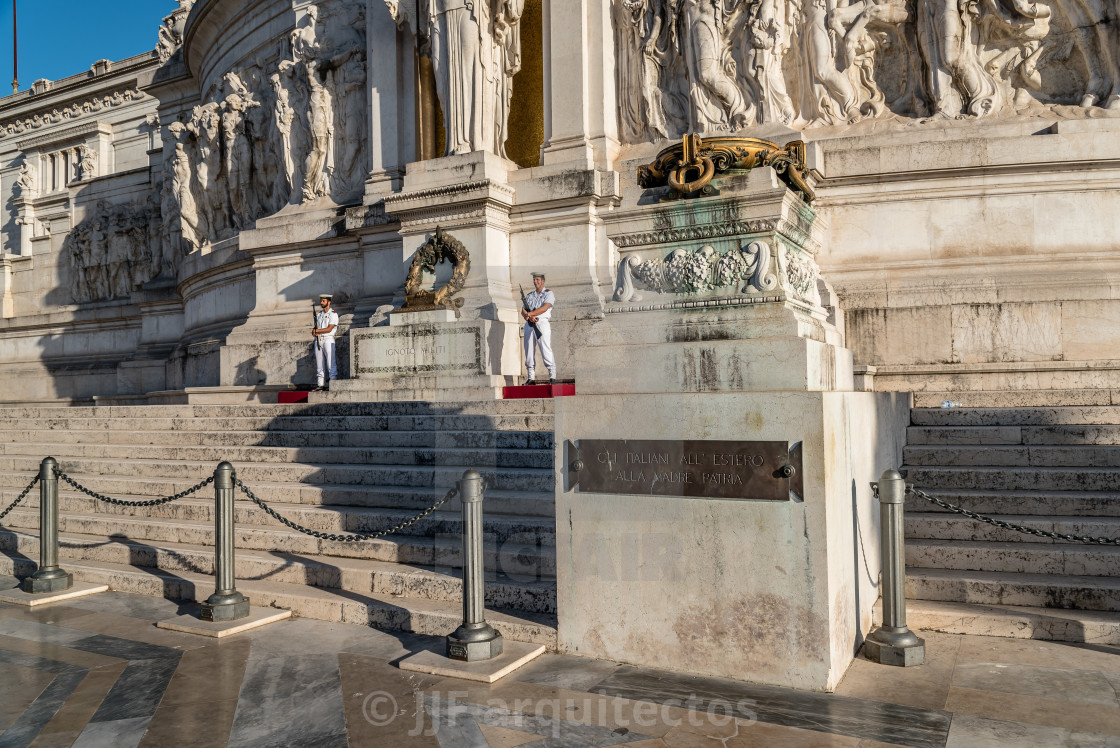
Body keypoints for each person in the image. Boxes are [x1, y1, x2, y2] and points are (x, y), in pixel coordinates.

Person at [521, 272, 556, 385]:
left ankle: (552, 376)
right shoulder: (530, 295)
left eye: (537, 279)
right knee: (529, 350)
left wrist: (530, 314)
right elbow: (523, 310)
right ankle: (531, 377)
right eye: (534, 280)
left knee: (545, 349)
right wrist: (528, 316)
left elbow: (545, 308)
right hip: (530, 324)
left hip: (541, 323)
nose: (535, 282)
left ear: (543, 281)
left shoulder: (548, 293)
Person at [312, 293, 339, 391]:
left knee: (331, 362)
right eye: (321, 301)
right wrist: (314, 333)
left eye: (323, 301)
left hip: (328, 339)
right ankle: (320, 384)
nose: (321, 302)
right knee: (320, 363)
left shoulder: (333, 314)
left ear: (329, 302)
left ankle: (333, 382)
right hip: (319, 340)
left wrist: (316, 331)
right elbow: (317, 328)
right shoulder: (319, 314)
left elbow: (329, 328)